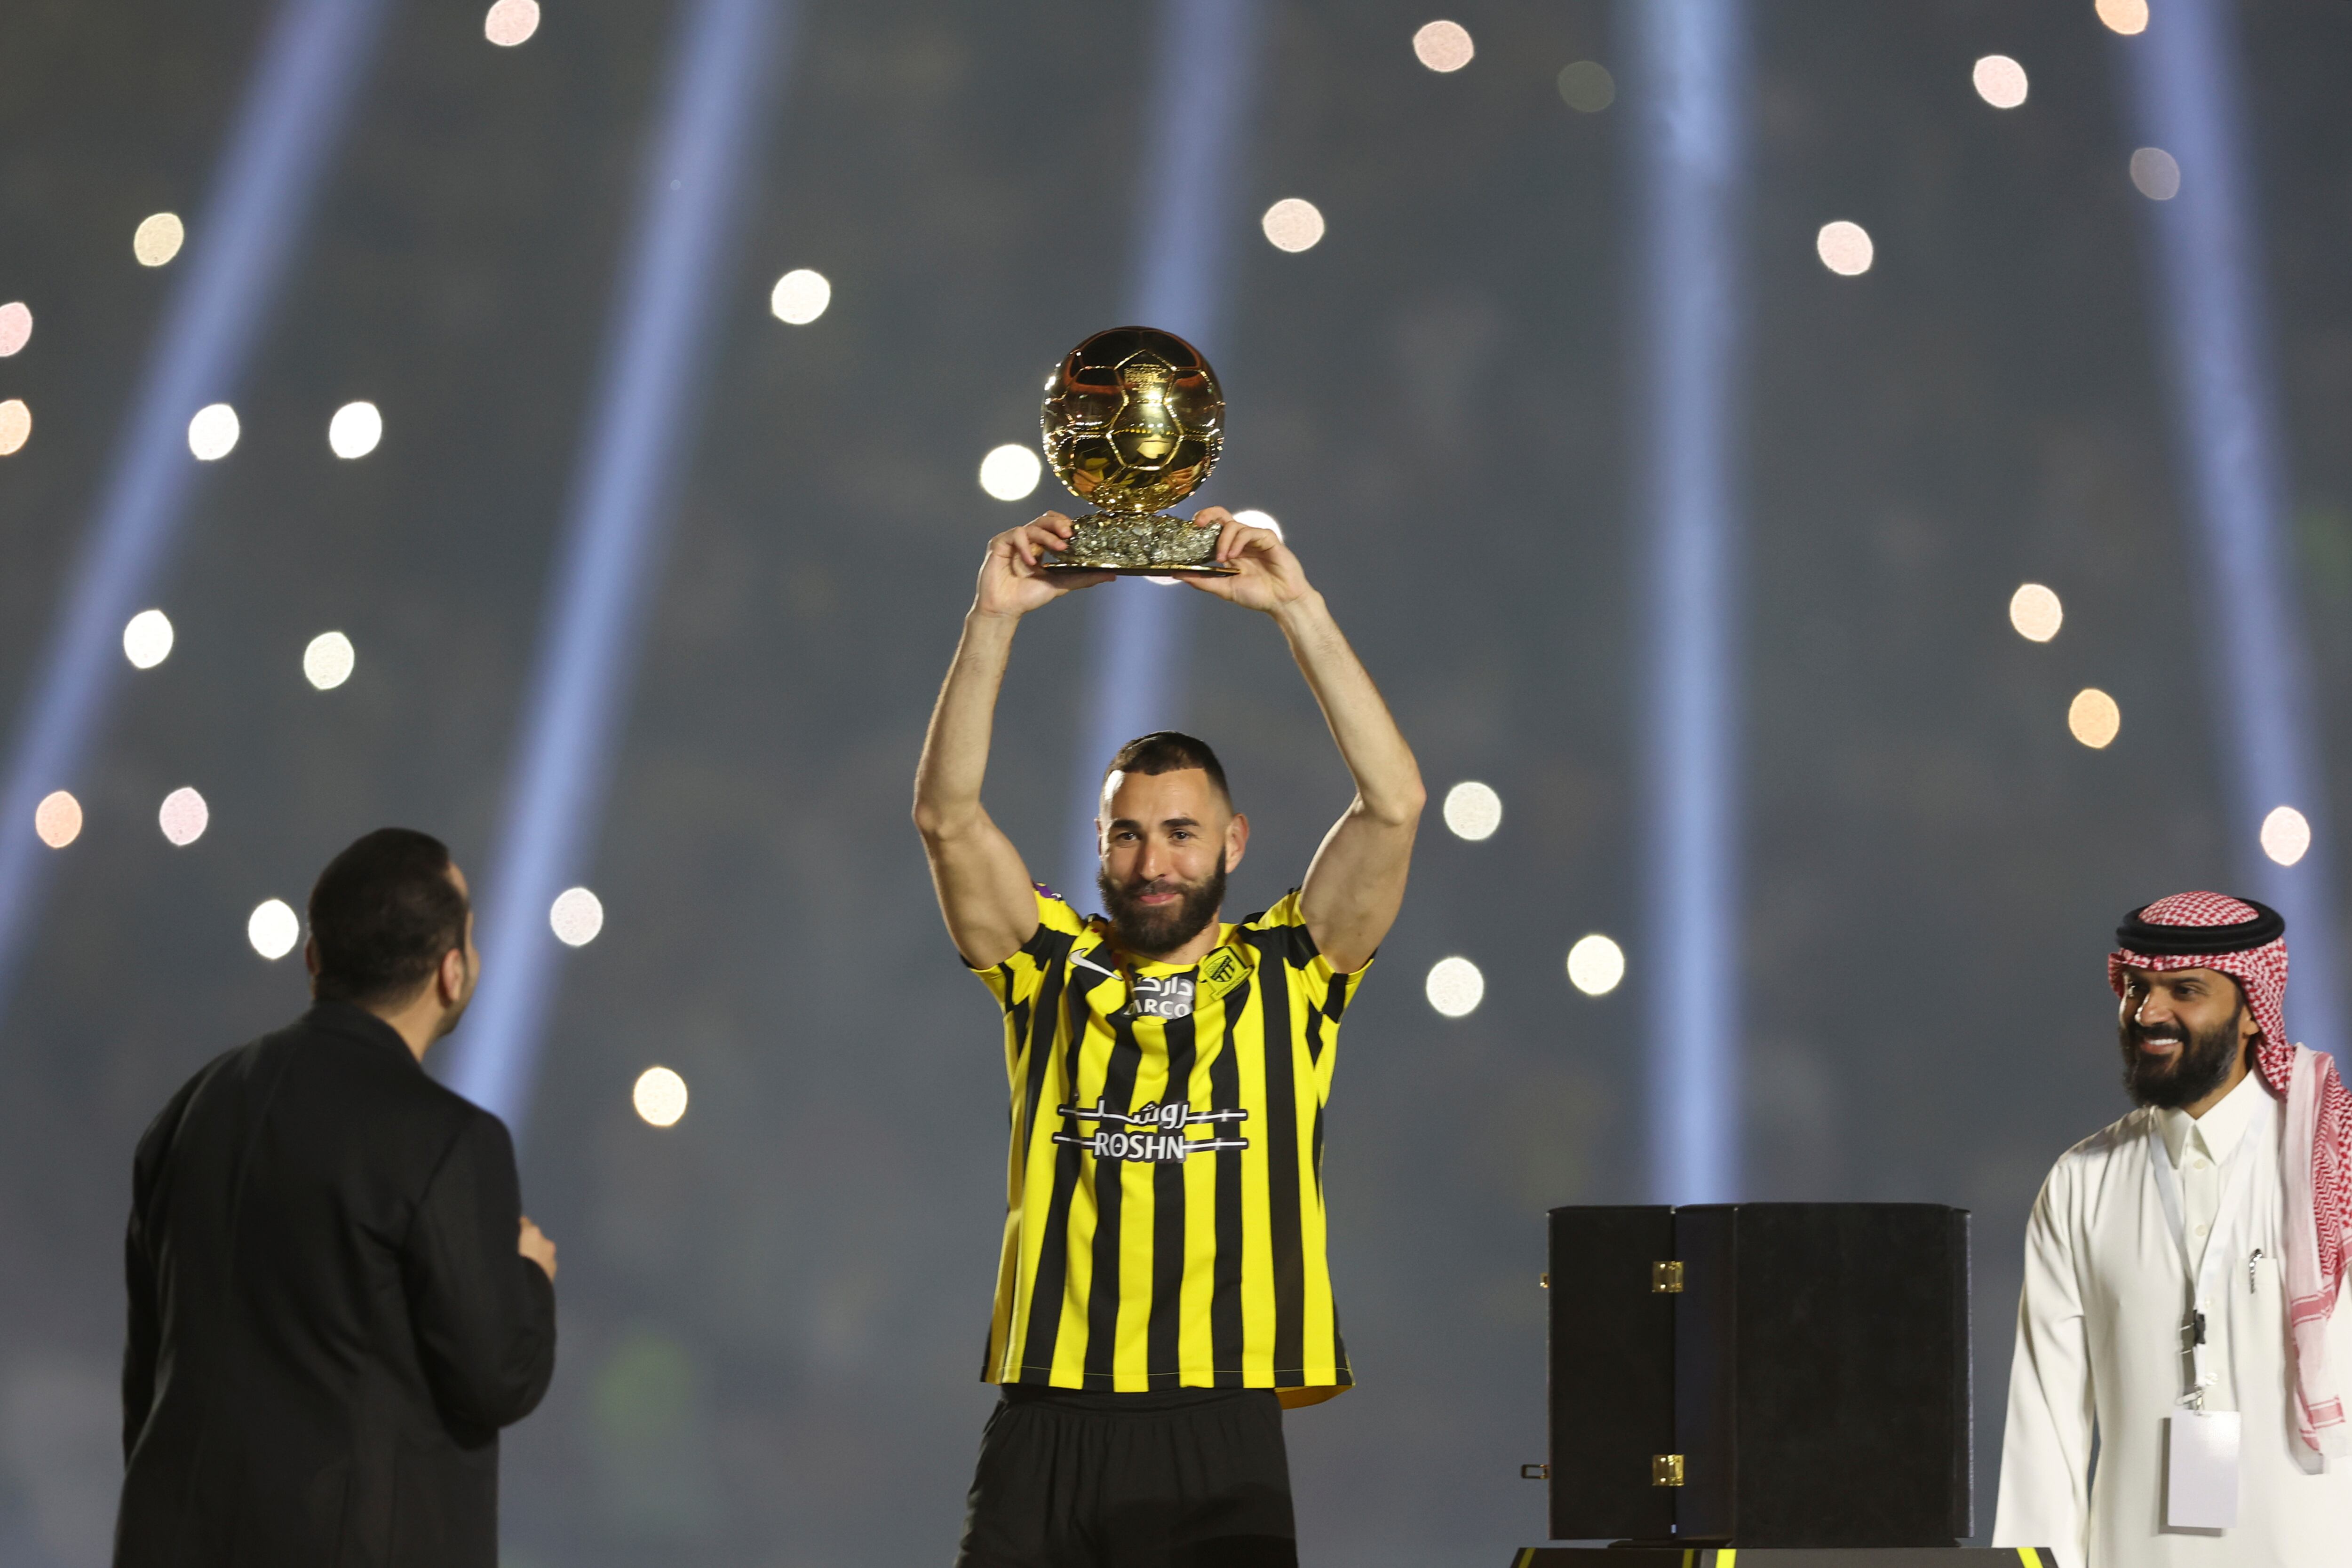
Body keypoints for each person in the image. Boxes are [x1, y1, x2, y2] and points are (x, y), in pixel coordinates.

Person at [913, 508, 1423, 1567]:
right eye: (1130, 832)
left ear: (1232, 842)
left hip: (1217, 1426)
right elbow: (948, 817)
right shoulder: (1047, 967)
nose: (1155, 860)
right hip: (1047, 1414)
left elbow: (1394, 802)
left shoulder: (1296, 971)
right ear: (1098, 843)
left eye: (1182, 832)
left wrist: (1296, 607)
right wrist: (993, 618)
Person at [114, 828, 558, 1568]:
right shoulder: (450, 1140)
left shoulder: (192, 1108)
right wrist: (529, 1275)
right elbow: (497, 1375)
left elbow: (148, 1371)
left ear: (314, 957)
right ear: (453, 971)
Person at [1993, 891, 2352, 1566]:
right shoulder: (2081, 1184)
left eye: (2184, 990)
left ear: (2252, 1009)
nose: (2148, 1013)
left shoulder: (2334, 1156)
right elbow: (2045, 1439)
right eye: (2135, 989)